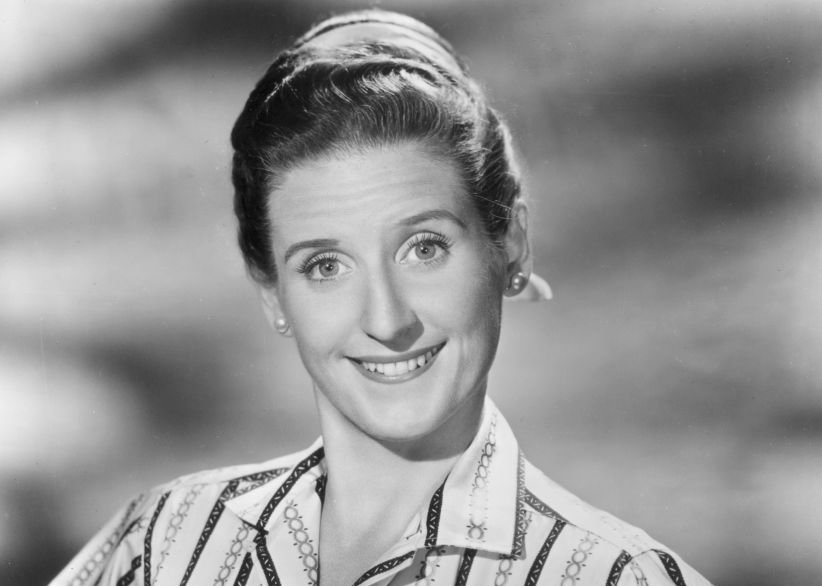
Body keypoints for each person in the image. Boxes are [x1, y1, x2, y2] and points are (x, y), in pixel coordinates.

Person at [51, 9, 713, 586]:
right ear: (272, 293)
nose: (386, 319)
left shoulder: (616, 575)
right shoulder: (165, 540)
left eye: (424, 248)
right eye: (325, 265)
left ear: (508, 244)